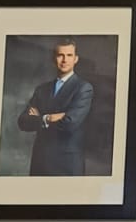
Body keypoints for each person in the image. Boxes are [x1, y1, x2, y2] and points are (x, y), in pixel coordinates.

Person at [16, 38, 94, 175]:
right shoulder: (42, 89)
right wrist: (48, 118)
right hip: (40, 162)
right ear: (54, 58)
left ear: (76, 59)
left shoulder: (83, 88)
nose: (64, 60)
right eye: (60, 55)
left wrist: (39, 118)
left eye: (69, 55)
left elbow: (70, 123)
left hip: (67, 164)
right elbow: (23, 121)